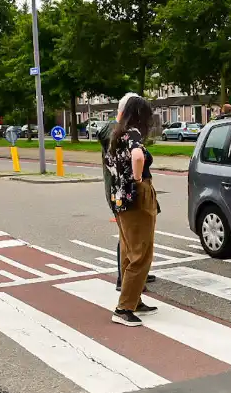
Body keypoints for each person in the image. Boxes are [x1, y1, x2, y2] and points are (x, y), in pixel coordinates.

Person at [105, 95, 160, 326]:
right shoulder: (134, 135)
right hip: (136, 197)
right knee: (141, 253)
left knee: (129, 250)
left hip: (120, 198)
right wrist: (138, 179)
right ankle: (124, 308)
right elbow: (137, 156)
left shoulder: (116, 135)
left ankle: (134, 300)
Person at [99, 93, 154, 291]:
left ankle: (133, 276)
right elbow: (136, 157)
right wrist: (138, 180)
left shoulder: (118, 131)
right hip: (125, 190)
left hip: (118, 189)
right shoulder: (120, 131)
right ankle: (127, 279)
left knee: (129, 237)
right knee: (131, 238)